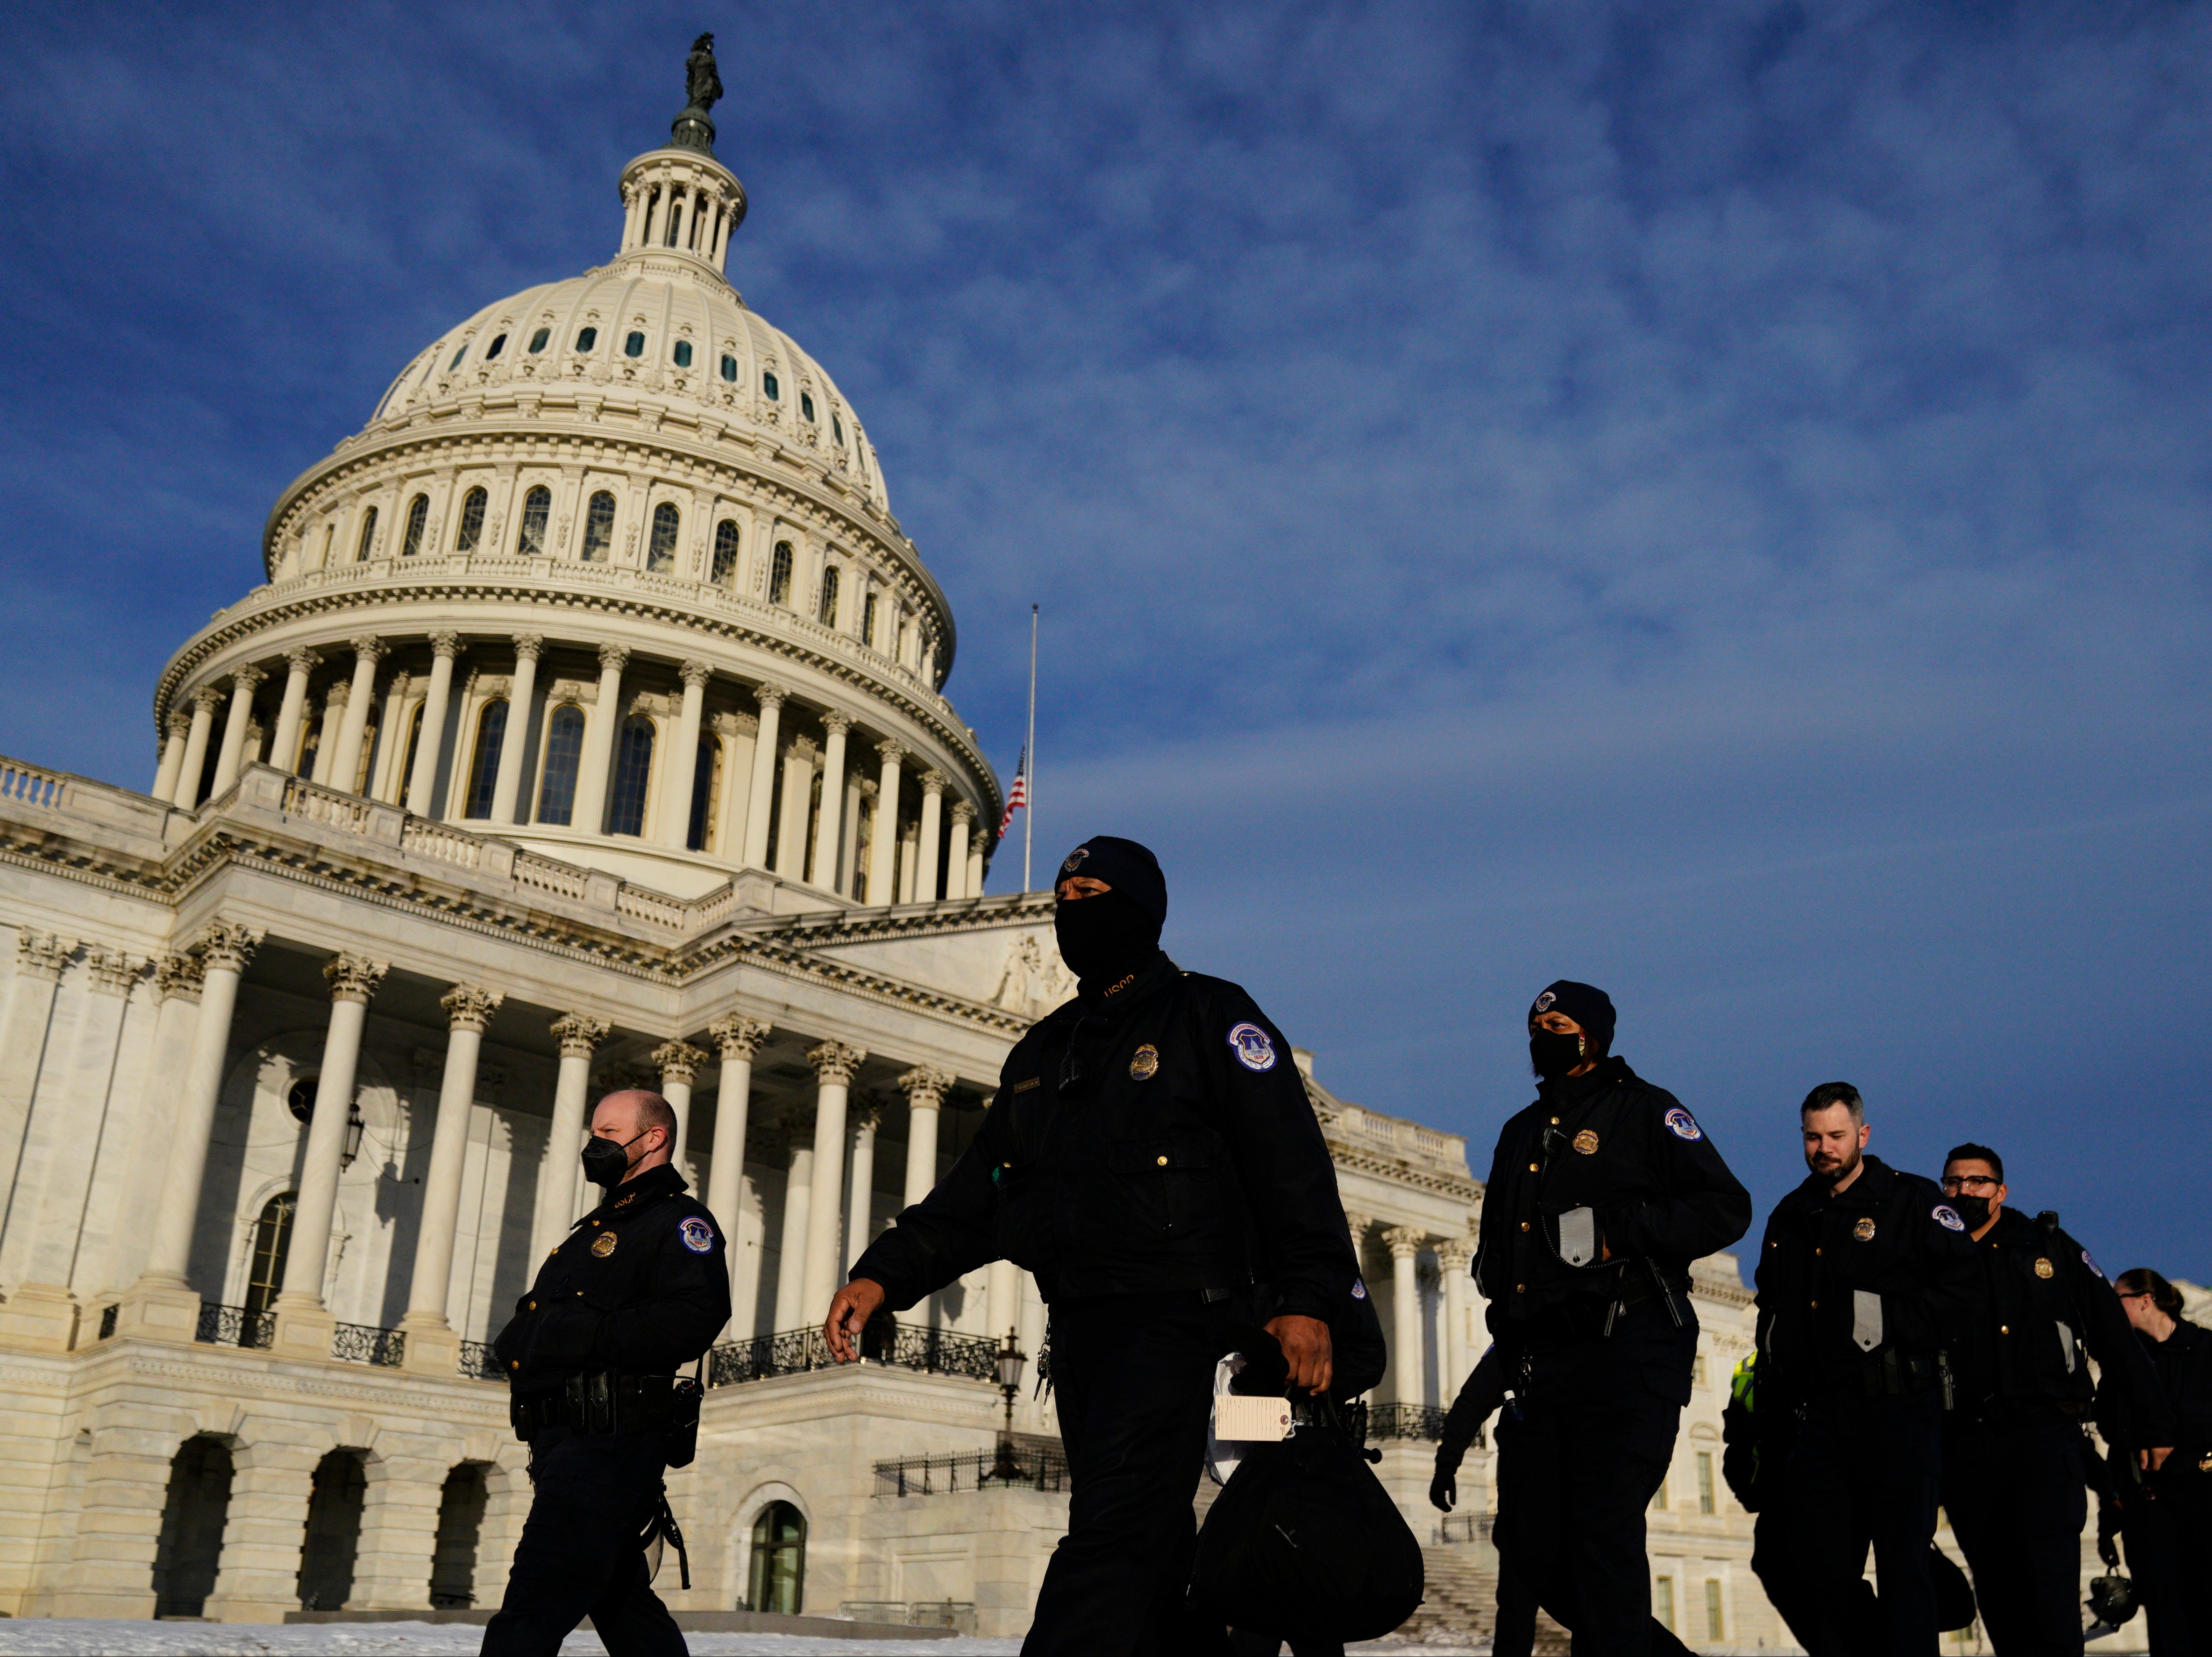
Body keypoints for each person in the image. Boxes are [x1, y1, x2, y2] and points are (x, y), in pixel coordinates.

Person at [821, 836, 1362, 1657]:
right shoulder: (1044, 1053)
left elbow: (1292, 1170)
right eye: (1064, 893)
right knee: (1147, 1546)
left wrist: (1306, 1299)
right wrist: (884, 1274)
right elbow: (979, 1195)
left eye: (1094, 890)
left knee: (1116, 1540)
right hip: (1081, 1337)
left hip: (1185, 1323)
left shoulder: (1210, 1017)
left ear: (1142, 908)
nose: (1073, 905)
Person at [1472, 980, 1752, 1657]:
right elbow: (1499, 1254)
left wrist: (1618, 1231)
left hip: (1627, 1353)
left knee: (1602, 1545)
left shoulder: (1645, 1112)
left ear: (1592, 1036)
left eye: (1559, 1023)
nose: (1543, 1036)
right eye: (1535, 1026)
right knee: (1527, 1549)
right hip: (1544, 1366)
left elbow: (1724, 1207)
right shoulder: (1519, 1132)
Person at [482, 1090, 731, 1657]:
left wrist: (581, 1336)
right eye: (594, 1131)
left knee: (533, 1604)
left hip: (608, 1442)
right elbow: (537, 1319)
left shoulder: (677, 1221)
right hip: (560, 1439)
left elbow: (696, 1316)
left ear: (654, 1139)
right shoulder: (591, 1229)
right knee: (623, 1606)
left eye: (610, 1133)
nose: (596, 1145)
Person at [1751, 1083, 1980, 1657]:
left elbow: (1966, 1294)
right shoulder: (1791, 1213)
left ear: (1862, 1134)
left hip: (1898, 1411)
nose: (1823, 1148)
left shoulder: (1915, 1202)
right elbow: (1770, 1312)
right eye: (1812, 1136)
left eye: (1835, 1135)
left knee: (1904, 1570)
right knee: (1822, 1570)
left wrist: (1882, 1314)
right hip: (1820, 1421)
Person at [1935, 1145, 2173, 1656]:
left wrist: (2157, 1428)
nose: (1964, 1191)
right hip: (1966, 1445)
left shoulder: (2047, 1246)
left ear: (2001, 1191)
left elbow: (2115, 1338)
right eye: (1953, 1182)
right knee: (1996, 1590)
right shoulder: (1929, 1253)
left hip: (2042, 1439)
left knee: (2049, 1589)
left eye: (1977, 1182)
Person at [2111, 1268, 2212, 1657]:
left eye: (2117, 1298)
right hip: (2150, 1505)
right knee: (2165, 1615)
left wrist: (2177, 1446)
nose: (2111, 1307)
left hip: (2201, 1499)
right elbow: (2110, 1422)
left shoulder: (2204, 1349)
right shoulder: (2124, 1359)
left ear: (2144, 1300)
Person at [1431, 1344, 1541, 1657]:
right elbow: (1470, 1404)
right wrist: (1446, 1464)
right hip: (1525, 1497)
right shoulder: (1517, 1335)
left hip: (1575, 1492)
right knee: (1516, 1605)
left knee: (1599, 1608)